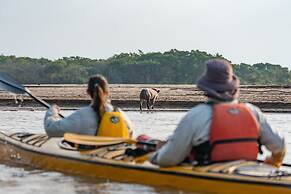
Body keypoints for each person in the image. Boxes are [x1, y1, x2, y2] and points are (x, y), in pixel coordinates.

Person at [151, 59, 286, 167]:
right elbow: (280, 146)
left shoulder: (196, 115)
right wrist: (273, 162)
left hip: (210, 174)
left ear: (206, 89)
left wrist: (157, 155)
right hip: (249, 171)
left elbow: (169, 160)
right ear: (232, 87)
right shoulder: (253, 111)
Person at [44, 74, 134, 137]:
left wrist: (52, 113)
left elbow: (51, 129)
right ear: (107, 92)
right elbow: (130, 134)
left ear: (88, 92)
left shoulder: (81, 116)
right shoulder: (120, 114)